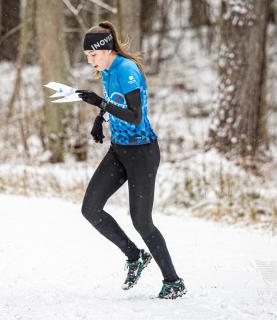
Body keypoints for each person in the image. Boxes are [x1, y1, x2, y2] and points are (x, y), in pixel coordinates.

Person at [76, 21, 186, 299]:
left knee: (142, 222)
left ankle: (173, 282)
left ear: (107, 49)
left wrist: (100, 104)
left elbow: (135, 115)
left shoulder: (126, 70)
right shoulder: (107, 69)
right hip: (119, 150)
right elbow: (114, 104)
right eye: (87, 55)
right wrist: (100, 120)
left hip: (143, 153)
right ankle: (135, 256)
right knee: (90, 209)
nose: (90, 61)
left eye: (93, 55)